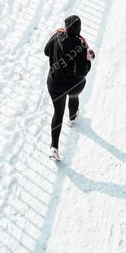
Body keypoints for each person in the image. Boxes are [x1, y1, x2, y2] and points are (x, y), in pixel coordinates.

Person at [44, 14, 94, 161]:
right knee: (74, 96)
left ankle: (54, 148)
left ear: (66, 27)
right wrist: (88, 60)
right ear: (79, 29)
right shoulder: (81, 46)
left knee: (57, 113)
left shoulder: (56, 37)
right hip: (73, 86)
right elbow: (81, 72)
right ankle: (72, 118)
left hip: (54, 84)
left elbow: (46, 51)